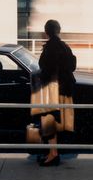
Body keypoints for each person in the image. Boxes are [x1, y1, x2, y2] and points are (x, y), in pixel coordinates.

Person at [32, 19, 76, 166]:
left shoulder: (50, 47)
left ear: (46, 32)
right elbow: (72, 65)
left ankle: (53, 154)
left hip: (53, 88)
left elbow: (46, 69)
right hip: (65, 88)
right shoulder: (64, 46)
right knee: (58, 121)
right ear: (59, 30)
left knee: (48, 119)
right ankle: (53, 152)